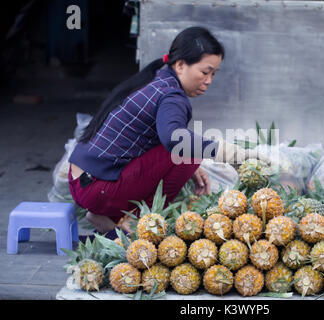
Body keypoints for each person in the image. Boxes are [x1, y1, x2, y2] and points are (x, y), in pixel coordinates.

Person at [68, 26, 266, 238]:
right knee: (187, 152)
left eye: (213, 74)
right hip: (97, 188)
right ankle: (135, 226)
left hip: (82, 180)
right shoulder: (171, 96)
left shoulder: (157, 77)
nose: (209, 81)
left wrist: (190, 165)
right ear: (180, 65)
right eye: (205, 72)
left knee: (188, 154)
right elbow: (174, 139)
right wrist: (230, 153)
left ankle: (109, 218)